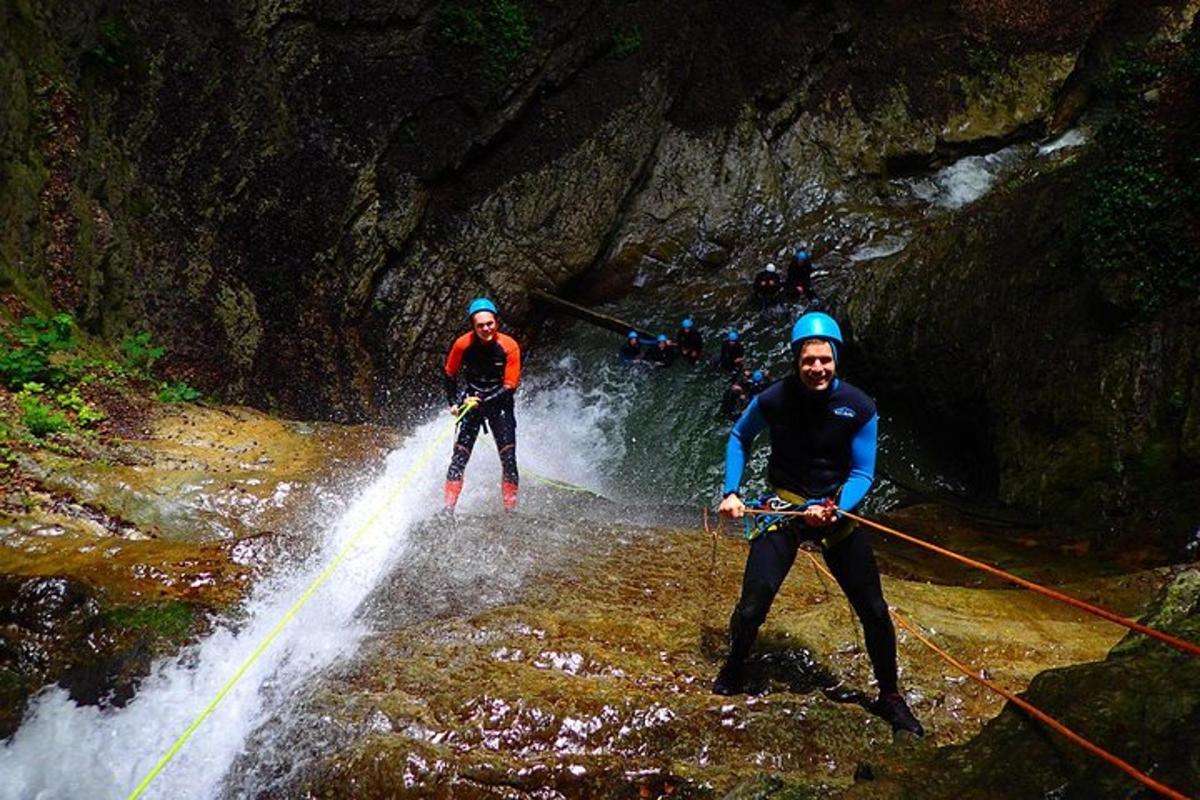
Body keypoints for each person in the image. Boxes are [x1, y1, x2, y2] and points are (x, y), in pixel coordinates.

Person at [713, 311, 923, 737]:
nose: (817, 368)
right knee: (755, 600)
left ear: (836, 359)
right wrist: (731, 491)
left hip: (834, 510)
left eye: (824, 360)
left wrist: (835, 506)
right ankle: (736, 662)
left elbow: (863, 472)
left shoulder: (859, 407)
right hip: (784, 506)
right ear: (797, 360)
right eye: (809, 360)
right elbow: (740, 436)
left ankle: (890, 696)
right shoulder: (774, 399)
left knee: (875, 610)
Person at [442, 298, 522, 512]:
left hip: (499, 402)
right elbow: (449, 373)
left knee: (508, 459)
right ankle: (448, 509)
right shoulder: (462, 344)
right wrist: (454, 403)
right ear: (473, 326)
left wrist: (483, 402)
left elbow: (510, 385)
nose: (486, 328)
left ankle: (510, 510)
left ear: (496, 322)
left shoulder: (509, 346)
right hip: (471, 400)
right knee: (458, 458)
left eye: (490, 323)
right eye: (480, 325)